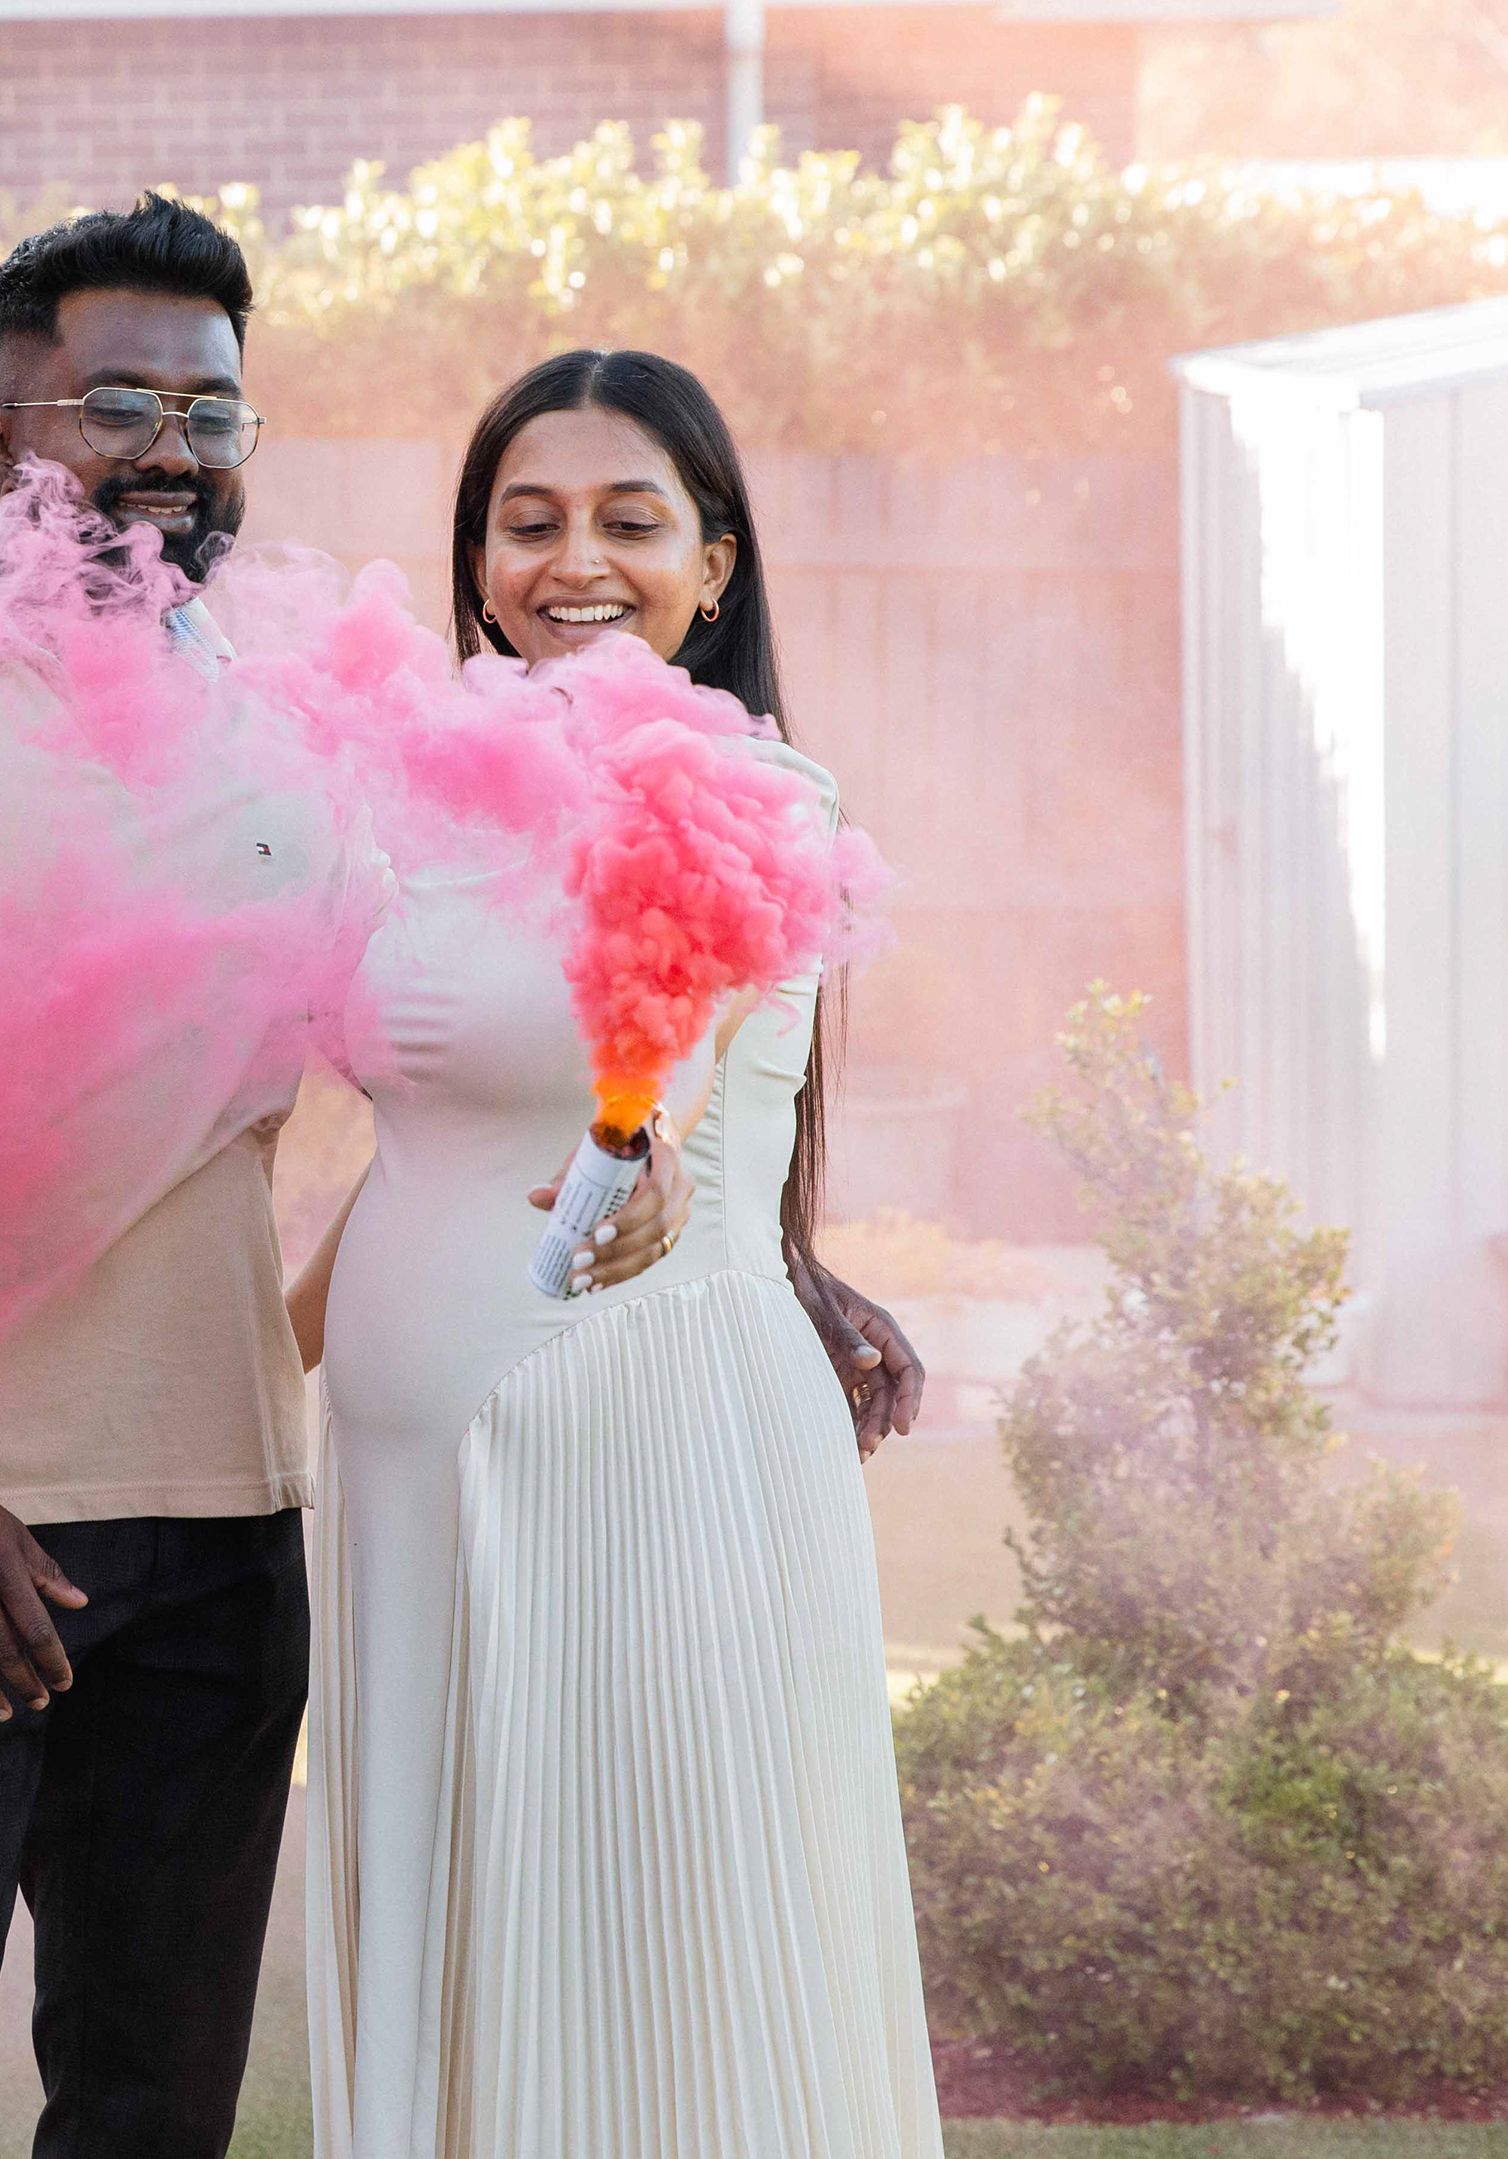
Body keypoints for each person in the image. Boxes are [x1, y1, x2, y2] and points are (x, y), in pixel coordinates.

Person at [0, 200, 692, 2158]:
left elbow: (427, 1034)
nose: (171, 451)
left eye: (213, 412)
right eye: (114, 404)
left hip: (224, 1529)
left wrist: (635, 1135)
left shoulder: (289, 727)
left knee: (152, 2108)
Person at [288, 348, 944, 2159]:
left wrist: (632, 1176)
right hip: (402, 1478)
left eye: (629, 522)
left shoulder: (756, 794)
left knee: (643, 1960)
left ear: (712, 566)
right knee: (447, 1940)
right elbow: (417, 1143)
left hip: (634, 1446)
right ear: (477, 561)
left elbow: (669, 1079)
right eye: (530, 522)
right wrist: (258, 1356)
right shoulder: (412, 803)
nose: (575, 561)